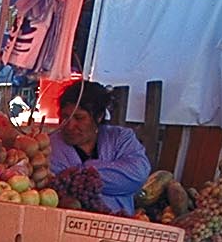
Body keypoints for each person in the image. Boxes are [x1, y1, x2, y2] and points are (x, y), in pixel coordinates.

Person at [46, 79, 152, 215]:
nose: (69, 125)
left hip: (120, 226)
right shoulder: (51, 146)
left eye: (79, 118)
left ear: (99, 116)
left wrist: (79, 173)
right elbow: (54, 187)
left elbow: (137, 175)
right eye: (65, 117)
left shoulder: (121, 138)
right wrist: (111, 175)